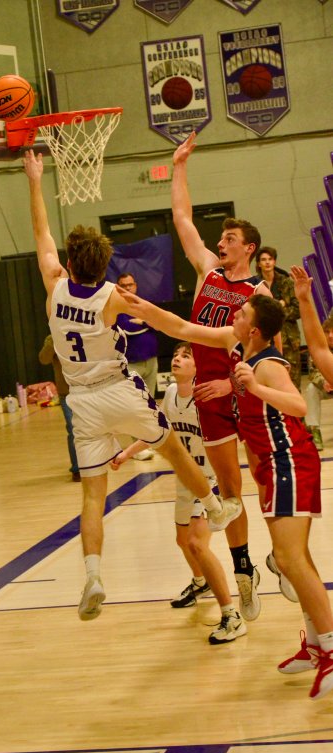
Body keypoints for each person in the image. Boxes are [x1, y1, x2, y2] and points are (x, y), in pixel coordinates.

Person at [23, 149, 242, 623]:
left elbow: (40, 232)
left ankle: (94, 575)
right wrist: (215, 335)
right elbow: (170, 325)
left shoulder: (53, 283)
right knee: (174, 450)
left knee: (91, 496)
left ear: (68, 261)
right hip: (117, 389)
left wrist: (35, 180)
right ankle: (214, 508)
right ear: (103, 266)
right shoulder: (114, 297)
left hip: (79, 401)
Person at [118, 288, 333, 700]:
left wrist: (253, 387)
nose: (234, 314)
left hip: (289, 459)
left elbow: (297, 407)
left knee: (289, 558)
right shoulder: (238, 347)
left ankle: (330, 649)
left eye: (241, 312)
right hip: (271, 466)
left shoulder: (266, 364)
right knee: (294, 559)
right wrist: (138, 305)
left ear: (253, 329)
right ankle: (315, 645)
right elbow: (181, 327)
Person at [172, 131, 273, 623]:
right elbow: (182, 219)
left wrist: (231, 384)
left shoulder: (259, 292)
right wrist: (179, 166)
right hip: (208, 398)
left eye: (229, 239)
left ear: (248, 248)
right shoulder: (207, 271)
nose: (220, 243)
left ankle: (281, 552)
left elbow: (260, 357)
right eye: (221, 239)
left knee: (267, 480)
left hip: (240, 393)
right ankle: (244, 572)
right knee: (230, 495)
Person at [113, 341, 247, 645]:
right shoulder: (171, 393)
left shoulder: (207, 398)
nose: (177, 359)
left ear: (199, 367)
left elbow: (235, 431)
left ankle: (231, 614)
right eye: (175, 355)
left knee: (198, 544)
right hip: (185, 481)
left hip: (209, 480)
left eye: (186, 356)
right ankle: (201, 583)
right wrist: (126, 452)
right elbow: (158, 432)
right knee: (181, 541)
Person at [116, 272, 159, 461]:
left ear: (136, 285)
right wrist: (146, 322)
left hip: (152, 360)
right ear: (118, 287)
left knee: (150, 404)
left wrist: (146, 322)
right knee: (135, 405)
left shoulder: (143, 304)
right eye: (123, 286)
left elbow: (158, 324)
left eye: (130, 285)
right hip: (132, 363)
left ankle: (149, 441)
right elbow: (127, 329)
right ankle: (136, 448)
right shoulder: (116, 307)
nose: (127, 288)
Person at [256, 246, 302, 388]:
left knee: (293, 382)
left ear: (275, 262)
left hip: (289, 340)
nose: (267, 262)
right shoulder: (256, 285)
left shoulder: (286, 282)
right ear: (258, 264)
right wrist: (280, 305)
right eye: (263, 260)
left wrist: (276, 310)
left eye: (270, 259)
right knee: (270, 383)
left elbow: (298, 310)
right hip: (266, 340)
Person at [39, 333, 80, 481]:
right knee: (73, 429)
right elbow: (43, 359)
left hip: (87, 389)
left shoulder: (82, 332)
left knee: (94, 428)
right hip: (66, 393)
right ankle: (77, 469)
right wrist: (53, 341)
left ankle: (95, 463)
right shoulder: (52, 338)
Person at [303, 317, 333, 452]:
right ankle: (314, 431)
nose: (331, 335)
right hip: (327, 387)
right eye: (327, 332)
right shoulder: (318, 348)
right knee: (311, 389)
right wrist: (324, 382)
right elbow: (313, 372)